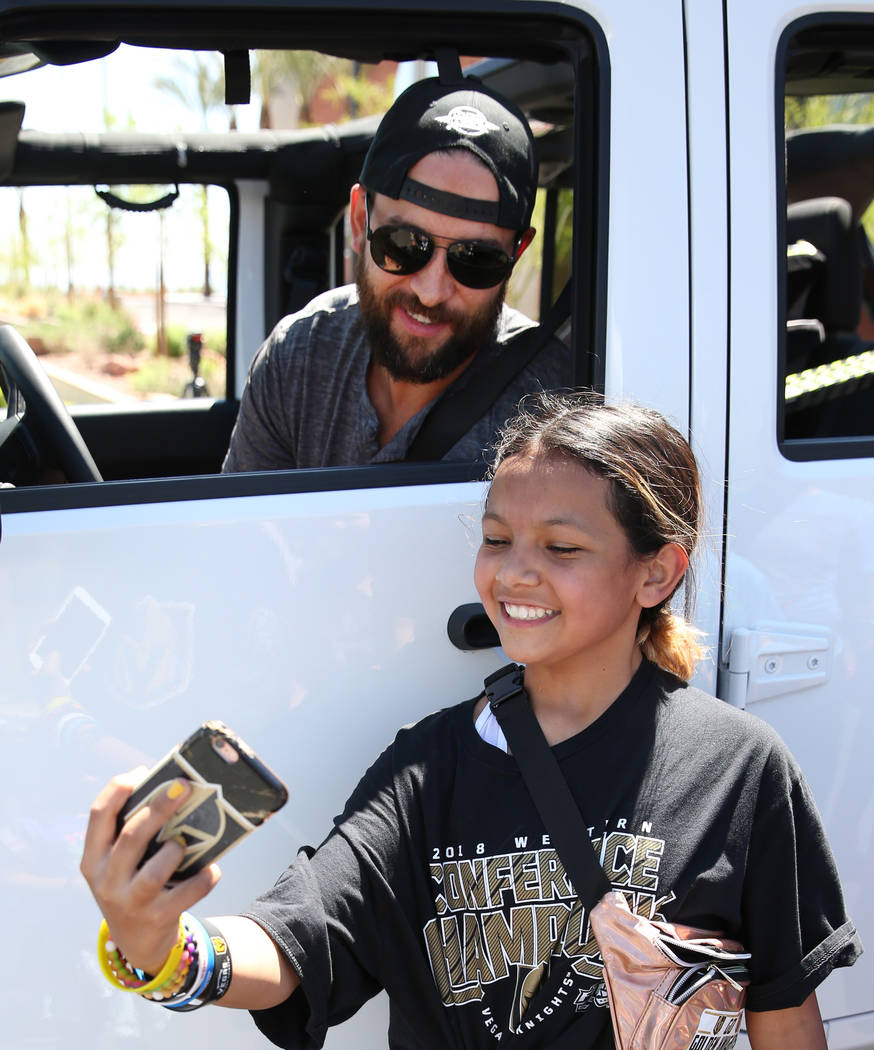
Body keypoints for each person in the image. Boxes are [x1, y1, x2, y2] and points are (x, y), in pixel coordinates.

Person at [82, 392, 861, 1049]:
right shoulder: (427, 771)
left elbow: (785, 1014)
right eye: (496, 539)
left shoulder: (739, 765)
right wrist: (162, 950)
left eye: (561, 547)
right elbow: (298, 941)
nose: (514, 571)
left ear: (655, 572)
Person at [221, 75, 568, 472]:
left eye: (474, 259)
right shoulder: (299, 358)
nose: (431, 292)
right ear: (357, 221)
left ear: (516, 254)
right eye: (404, 244)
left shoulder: (551, 409)